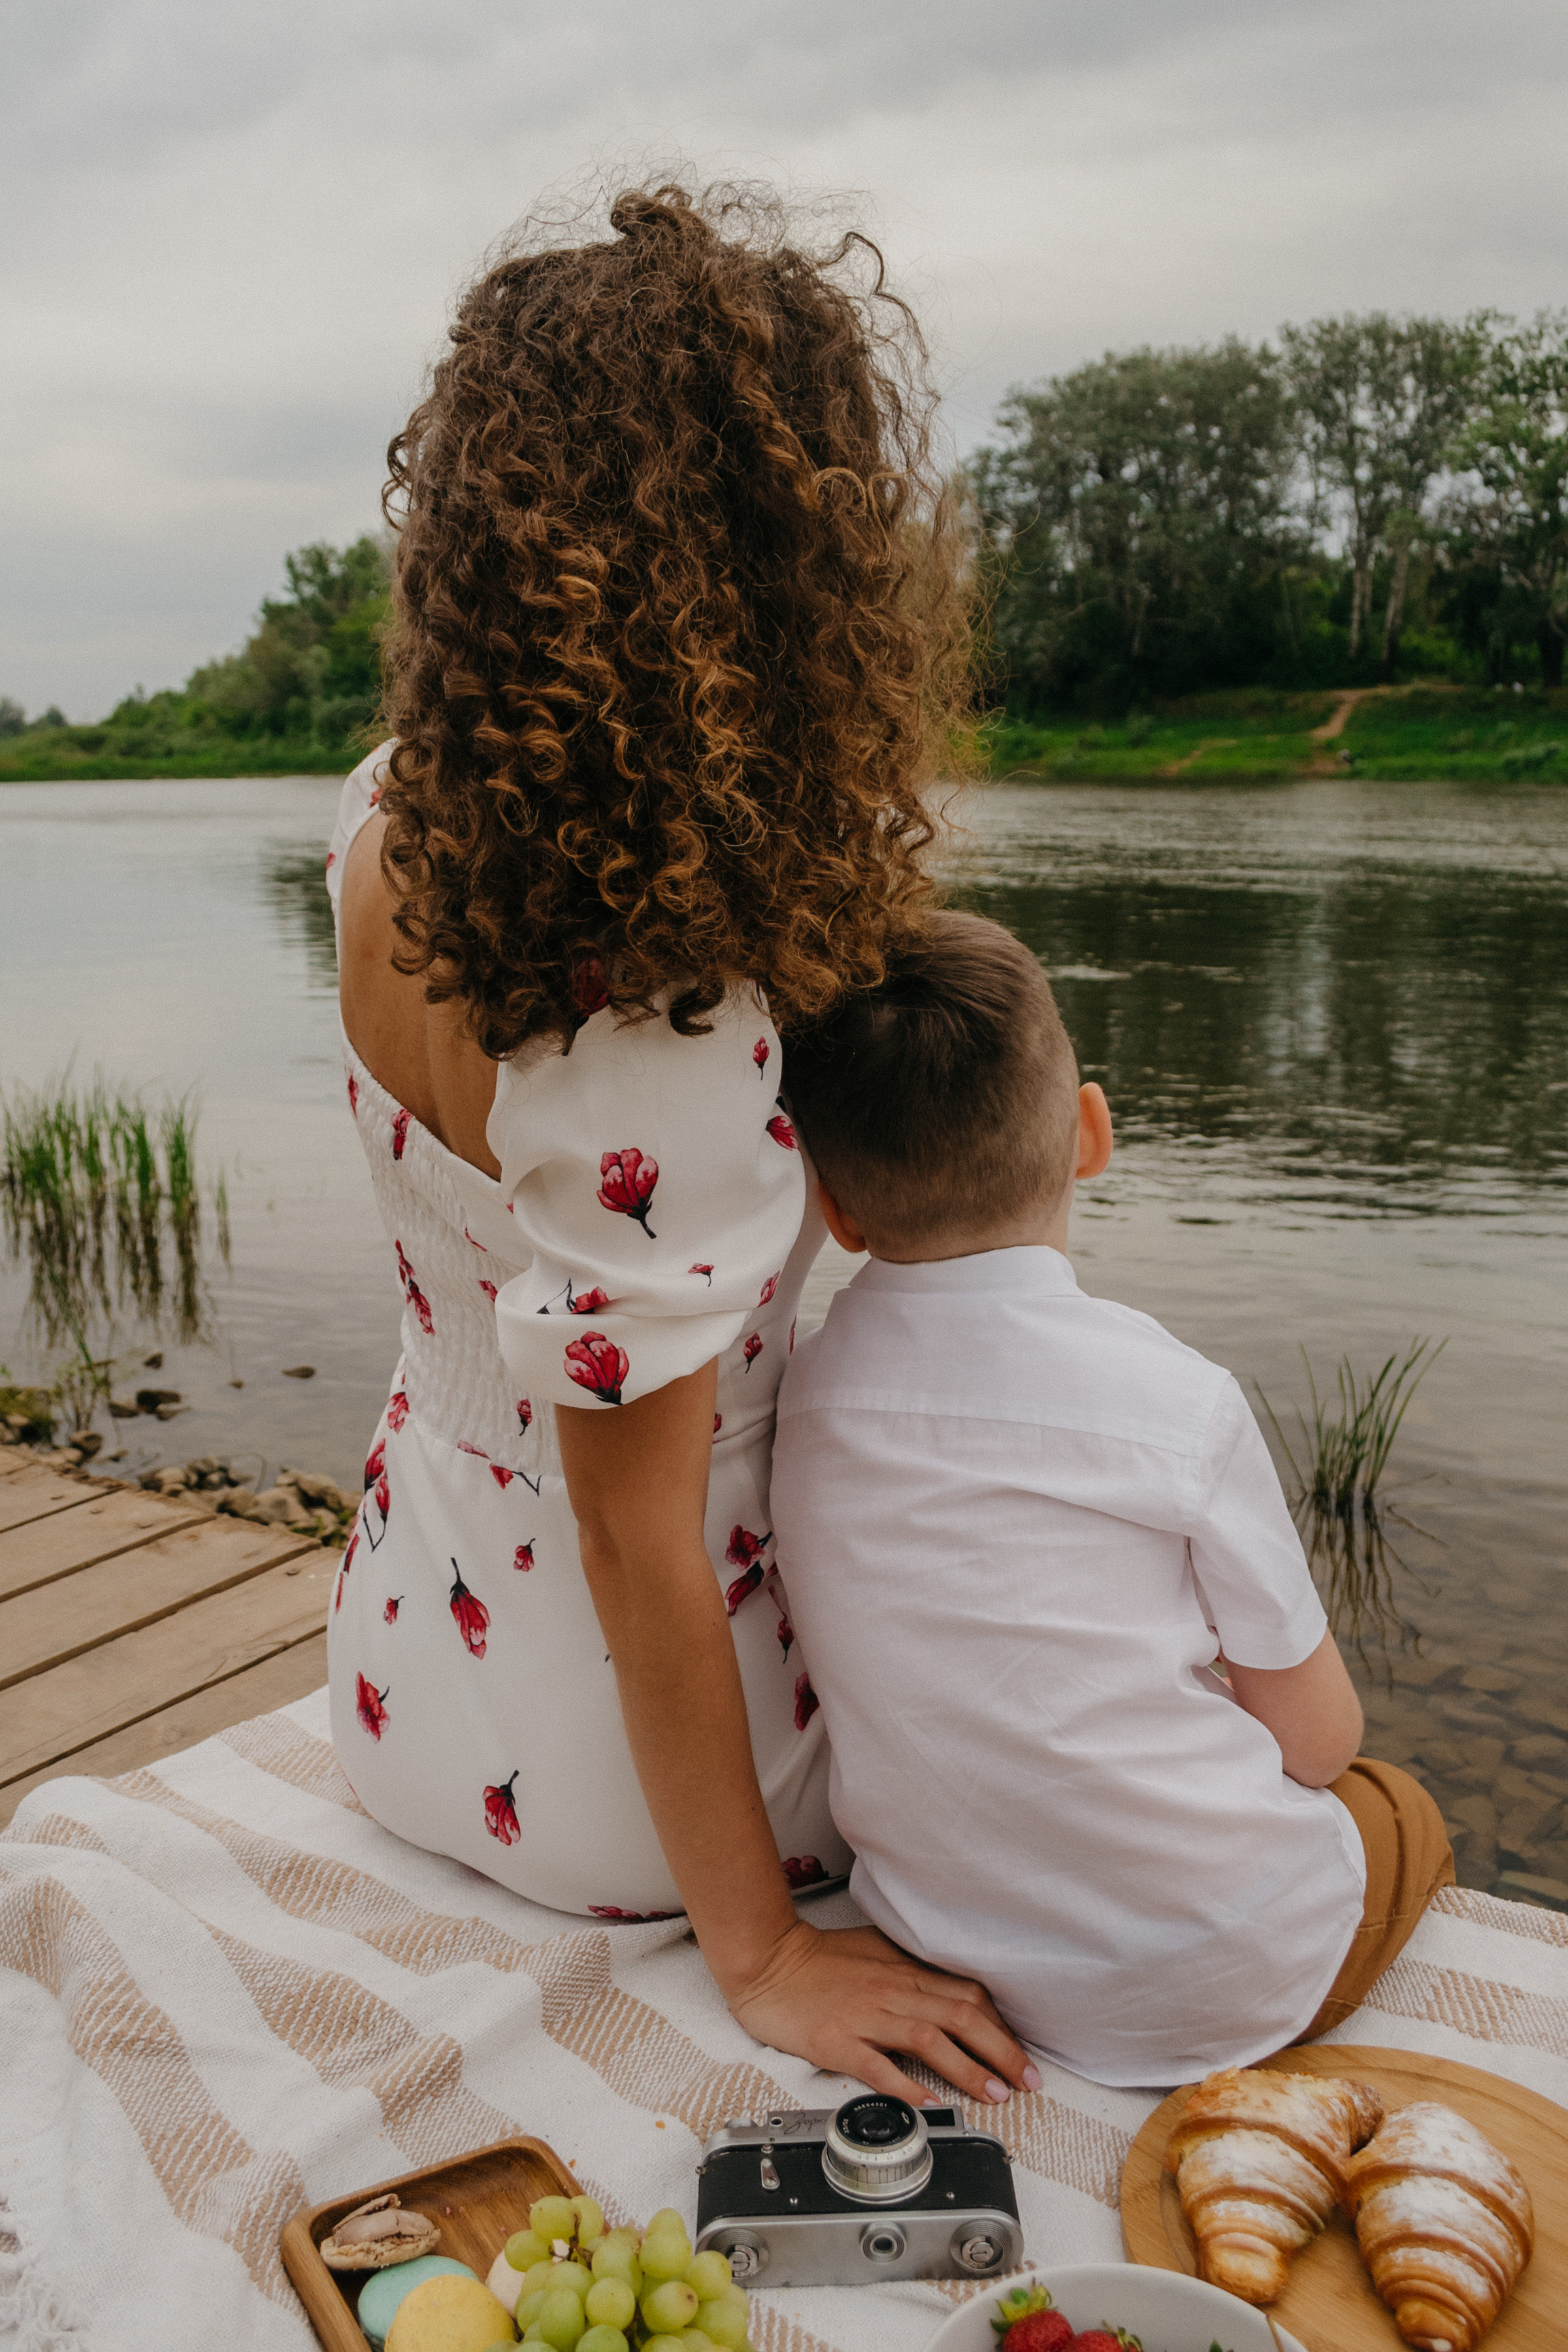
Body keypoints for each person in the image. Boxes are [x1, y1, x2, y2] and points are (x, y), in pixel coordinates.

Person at [325, 183, 1036, 2109]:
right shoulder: (655, 1014)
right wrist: (768, 1954)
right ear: (778, 563)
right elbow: (635, 1526)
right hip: (639, 1776)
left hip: (402, 1663)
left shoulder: (391, 812)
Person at [771, 910, 1456, 2089]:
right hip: (1219, 1978)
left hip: (946, 1944)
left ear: (835, 1206)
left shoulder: (804, 1400)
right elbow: (1317, 1742)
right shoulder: (1177, 1402)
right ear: (1090, 1132)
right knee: (1398, 1804)